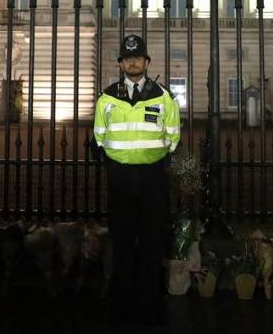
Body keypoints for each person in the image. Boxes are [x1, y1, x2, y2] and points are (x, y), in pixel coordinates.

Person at [93, 34, 180, 327]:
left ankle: (149, 296)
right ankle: (124, 295)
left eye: (137, 57)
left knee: (153, 239)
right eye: (127, 57)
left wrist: (159, 161)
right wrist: (111, 164)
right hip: (120, 178)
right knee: (122, 239)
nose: (132, 61)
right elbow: (99, 136)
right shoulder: (107, 97)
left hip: (152, 178)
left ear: (146, 61)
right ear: (120, 63)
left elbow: (173, 135)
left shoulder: (163, 96)